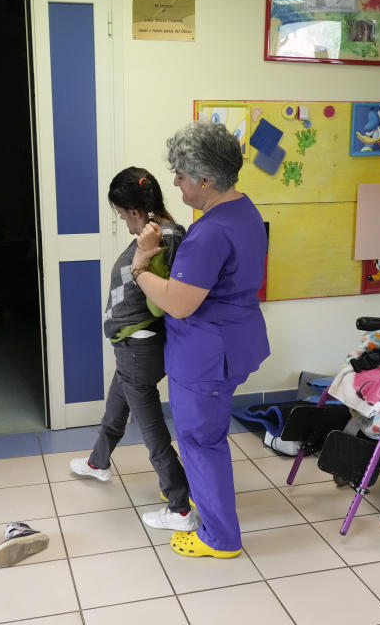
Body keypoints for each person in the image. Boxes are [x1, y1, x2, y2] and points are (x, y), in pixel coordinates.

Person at [130, 122, 270, 558]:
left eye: (180, 174)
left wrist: (140, 268)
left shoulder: (209, 232)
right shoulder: (242, 209)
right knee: (206, 435)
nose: (174, 182)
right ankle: (207, 502)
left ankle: (219, 538)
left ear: (205, 180)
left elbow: (179, 304)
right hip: (234, 340)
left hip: (206, 354)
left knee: (201, 441)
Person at [69, 167, 197, 532]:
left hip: (138, 348)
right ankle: (98, 462)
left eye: (122, 214)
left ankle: (179, 507)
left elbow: (160, 296)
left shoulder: (157, 240)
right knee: (117, 403)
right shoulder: (163, 232)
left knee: (152, 431)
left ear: (136, 211)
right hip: (134, 347)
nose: (122, 220)